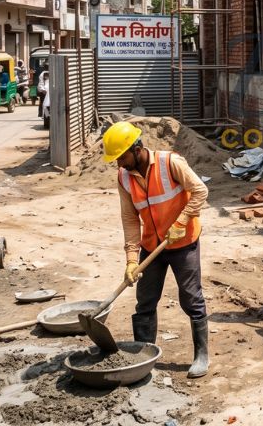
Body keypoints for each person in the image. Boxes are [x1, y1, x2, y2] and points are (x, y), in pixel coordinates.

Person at [103, 120, 211, 378]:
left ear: (136, 148)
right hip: (152, 246)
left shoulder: (169, 162)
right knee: (145, 302)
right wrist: (131, 259)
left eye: (121, 157)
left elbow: (200, 190)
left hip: (183, 243)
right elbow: (130, 219)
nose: (118, 163)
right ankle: (143, 355)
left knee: (191, 299)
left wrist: (182, 221)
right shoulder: (124, 178)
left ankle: (201, 356)